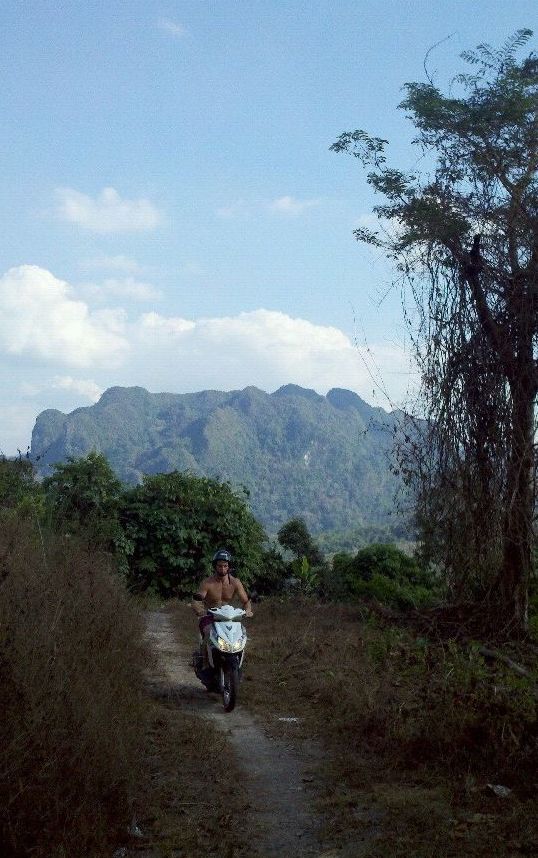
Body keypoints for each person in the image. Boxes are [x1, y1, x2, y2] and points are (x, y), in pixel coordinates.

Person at [191, 549, 253, 656]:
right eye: (219, 566)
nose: (223, 569)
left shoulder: (235, 582)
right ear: (215, 566)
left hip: (228, 617)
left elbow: (246, 601)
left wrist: (248, 610)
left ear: (229, 566)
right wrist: (201, 611)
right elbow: (197, 600)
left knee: (241, 634)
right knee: (208, 633)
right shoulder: (207, 583)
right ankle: (204, 660)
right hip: (210, 616)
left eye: (225, 566)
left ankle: (239, 658)